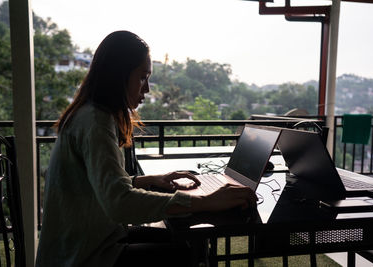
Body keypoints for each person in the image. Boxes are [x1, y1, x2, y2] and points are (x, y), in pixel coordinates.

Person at [35, 30, 257, 267]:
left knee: (189, 242)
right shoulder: (96, 122)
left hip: (88, 241)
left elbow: (100, 185)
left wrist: (149, 180)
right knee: (187, 251)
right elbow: (119, 203)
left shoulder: (90, 114)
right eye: (142, 77)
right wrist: (205, 201)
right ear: (118, 75)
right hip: (83, 255)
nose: (147, 88)